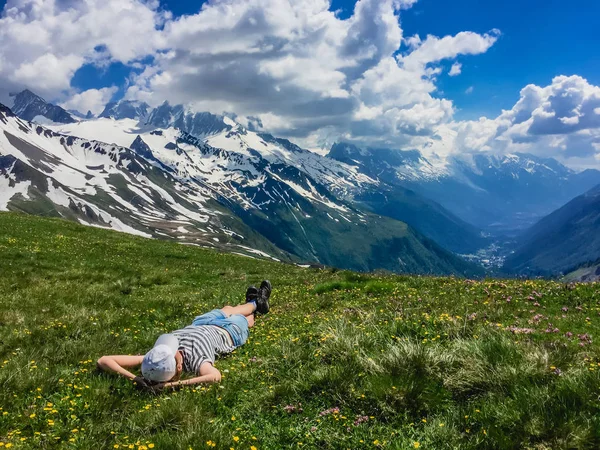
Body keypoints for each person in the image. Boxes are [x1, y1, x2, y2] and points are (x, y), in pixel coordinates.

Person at [97, 280, 271, 392]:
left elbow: (103, 360)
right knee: (241, 318)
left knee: (227, 309)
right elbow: (214, 376)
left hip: (199, 324)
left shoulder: (156, 357)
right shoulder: (195, 360)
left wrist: (136, 379)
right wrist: (168, 386)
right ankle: (255, 306)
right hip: (227, 333)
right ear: (178, 369)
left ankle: (255, 302)